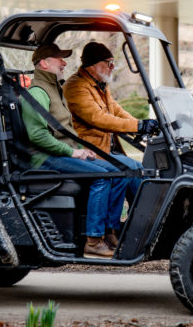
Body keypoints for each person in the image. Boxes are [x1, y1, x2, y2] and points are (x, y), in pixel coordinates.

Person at [20, 43, 130, 259]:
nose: (64, 63)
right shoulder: (38, 92)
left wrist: (81, 149)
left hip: (61, 154)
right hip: (46, 158)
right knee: (103, 176)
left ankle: (110, 232)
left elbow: (65, 130)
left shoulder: (55, 89)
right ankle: (93, 242)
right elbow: (38, 136)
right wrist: (72, 153)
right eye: (59, 59)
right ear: (44, 63)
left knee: (120, 171)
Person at [63, 41, 158, 203]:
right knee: (133, 169)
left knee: (139, 168)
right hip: (91, 151)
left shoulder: (100, 86)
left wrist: (142, 125)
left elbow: (117, 110)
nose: (113, 67)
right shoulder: (76, 86)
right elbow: (97, 118)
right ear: (93, 65)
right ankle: (135, 221)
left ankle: (139, 218)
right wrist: (137, 126)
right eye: (109, 63)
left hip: (105, 149)